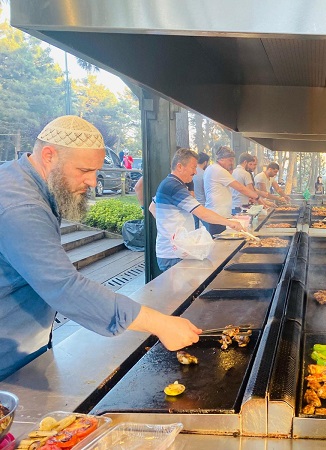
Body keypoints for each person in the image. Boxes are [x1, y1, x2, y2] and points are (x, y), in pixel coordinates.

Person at [0, 116, 204, 380]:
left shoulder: (23, 180)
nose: (93, 182)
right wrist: (159, 323)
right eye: (84, 170)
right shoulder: (21, 206)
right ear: (49, 155)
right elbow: (64, 287)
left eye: (96, 171)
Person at [154, 148, 244, 271]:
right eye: (193, 167)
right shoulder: (173, 186)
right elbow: (202, 213)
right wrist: (230, 223)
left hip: (177, 250)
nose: (195, 172)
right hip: (173, 253)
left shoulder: (169, 183)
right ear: (179, 167)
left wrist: (166, 224)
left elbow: (152, 207)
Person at [203, 146, 260, 236]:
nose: (232, 163)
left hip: (216, 213)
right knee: (218, 242)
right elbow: (240, 188)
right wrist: (257, 198)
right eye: (230, 160)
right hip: (218, 215)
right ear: (222, 159)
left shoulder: (211, 168)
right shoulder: (219, 170)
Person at [192, 151, 210, 229]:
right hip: (203, 205)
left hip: (192, 205)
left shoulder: (191, 173)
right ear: (205, 162)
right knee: (207, 228)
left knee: (195, 228)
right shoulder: (205, 174)